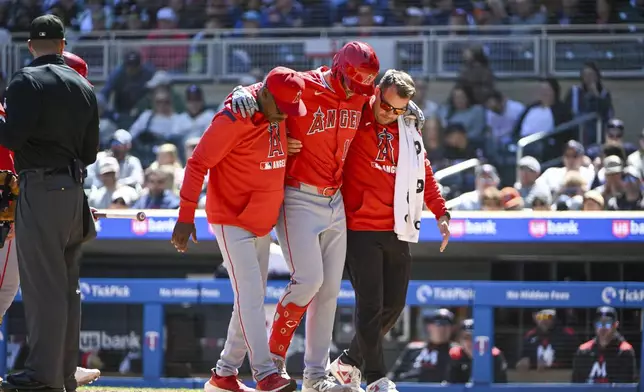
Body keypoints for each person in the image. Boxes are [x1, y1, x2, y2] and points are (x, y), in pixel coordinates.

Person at [229, 41, 389, 392]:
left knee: (330, 290)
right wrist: (241, 90)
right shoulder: (308, 83)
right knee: (309, 280)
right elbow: (272, 86)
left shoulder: (363, 92)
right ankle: (273, 360)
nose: (357, 89)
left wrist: (412, 112)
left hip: (335, 200)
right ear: (338, 68)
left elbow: (389, 99)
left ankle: (316, 376)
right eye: (353, 81)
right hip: (297, 194)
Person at [171, 66, 308, 392]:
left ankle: (224, 375)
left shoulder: (268, 105)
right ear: (264, 95)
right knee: (250, 298)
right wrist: (185, 215)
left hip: (261, 220)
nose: (286, 116)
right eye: (282, 109)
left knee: (248, 298)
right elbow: (197, 163)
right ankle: (265, 374)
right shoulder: (235, 117)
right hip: (232, 220)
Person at [319, 70, 450, 392]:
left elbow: (424, 171)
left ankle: (349, 360)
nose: (390, 114)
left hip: (398, 226)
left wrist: (441, 211)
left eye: (399, 110)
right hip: (359, 227)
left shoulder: (407, 127)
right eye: (387, 106)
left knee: (394, 306)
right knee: (370, 306)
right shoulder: (354, 114)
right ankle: (376, 377)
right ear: (376, 93)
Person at [0, 15, 99, 392]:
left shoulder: (25, 80)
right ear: (62, 45)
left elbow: (12, 137)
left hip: (41, 191)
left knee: (43, 287)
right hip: (75, 194)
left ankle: (42, 375)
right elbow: (90, 152)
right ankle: (62, 373)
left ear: (30, 46)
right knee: (67, 288)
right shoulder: (83, 85)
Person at [571, 306, 636, 383]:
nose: (603, 328)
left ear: (615, 325)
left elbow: (626, 384)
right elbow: (576, 383)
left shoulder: (625, 351)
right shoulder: (583, 350)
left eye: (607, 324)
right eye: (599, 324)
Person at [389, 309, 455, 383]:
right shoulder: (414, 349)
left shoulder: (456, 352)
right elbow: (394, 376)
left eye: (446, 325)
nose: (442, 329)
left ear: (452, 329)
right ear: (429, 327)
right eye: (438, 325)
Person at [447, 319, 508, 384]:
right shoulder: (456, 356)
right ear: (460, 341)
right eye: (467, 337)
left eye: (476, 337)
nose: (472, 342)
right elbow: (451, 385)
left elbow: (499, 386)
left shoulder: (494, 356)